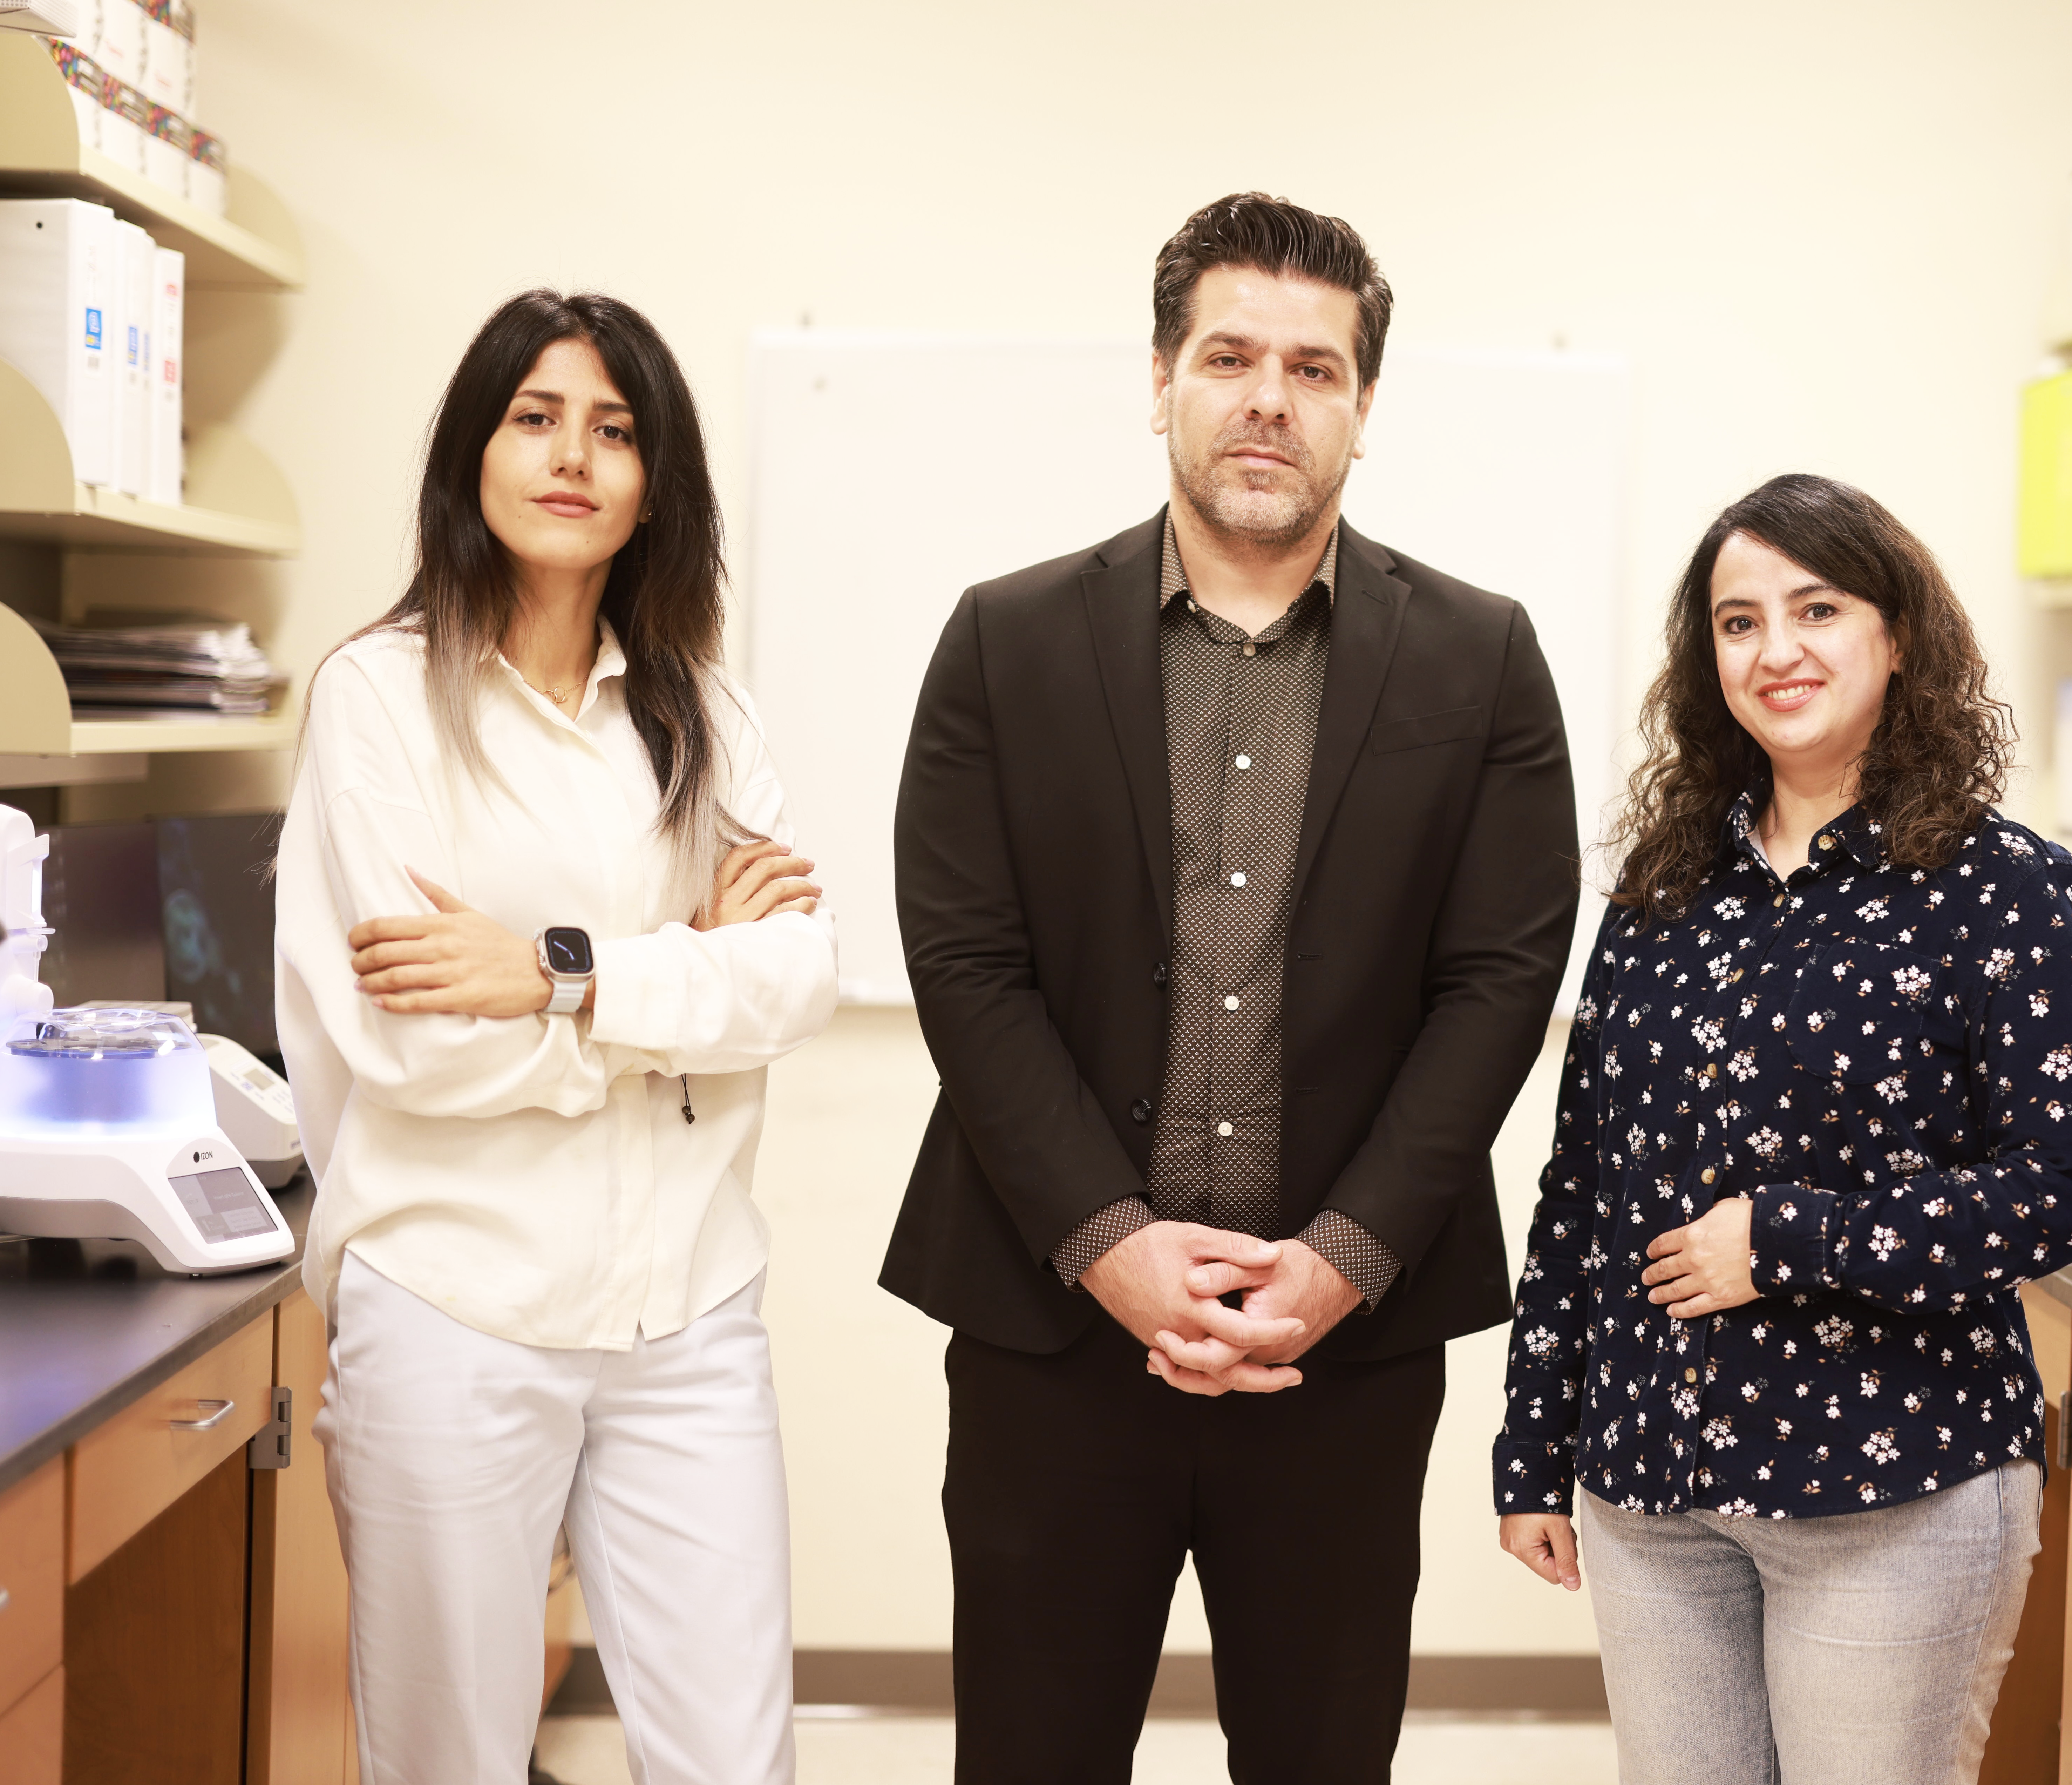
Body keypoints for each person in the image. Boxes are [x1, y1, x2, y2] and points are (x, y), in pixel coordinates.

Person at [885, 192, 1580, 1784]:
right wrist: (1110, 1247)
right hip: (1055, 1341)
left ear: (1363, 408)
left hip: (1339, 1348)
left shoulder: (1481, 659)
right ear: (1160, 380)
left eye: (1315, 369)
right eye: (1231, 356)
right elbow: (968, 970)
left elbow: (1498, 982)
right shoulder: (1006, 642)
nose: (1270, 398)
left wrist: (1340, 1263)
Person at [275, 289, 838, 1785]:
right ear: (475, 450)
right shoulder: (377, 702)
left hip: (687, 1313)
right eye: (536, 417)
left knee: (733, 1761)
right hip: (454, 1311)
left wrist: (558, 977)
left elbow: (798, 981)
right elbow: (416, 1050)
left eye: (615, 429)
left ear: (657, 483)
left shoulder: (704, 717)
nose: (573, 455)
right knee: (449, 1757)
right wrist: (677, 995)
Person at [1493, 475, 2072, 1785]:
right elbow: (1583, 1188)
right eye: (1738, 623)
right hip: (1651, 1488)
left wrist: (1786, 1239)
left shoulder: (2001, 888)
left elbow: (2069, 1181)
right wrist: (1535, 1443)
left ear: (1898, 636)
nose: (1776, 651)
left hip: (1891, 1491)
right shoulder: (1663, 889)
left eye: (1817, 609)